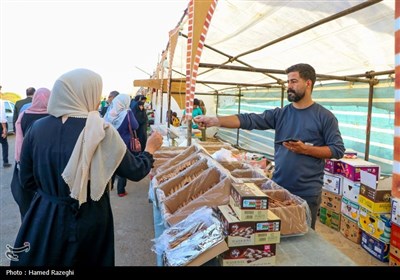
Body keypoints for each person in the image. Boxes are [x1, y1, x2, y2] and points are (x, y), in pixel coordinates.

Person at [10, 68, 163, 266]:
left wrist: (51, 193)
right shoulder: (102, 131)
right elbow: (135, 171)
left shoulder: (36, 129)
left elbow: (27, 180)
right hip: (90, 219)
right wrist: (150, 149)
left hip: (45, 215)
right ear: (87, 94)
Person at [194, 63, 345, 230]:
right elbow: (249, 119)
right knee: (278, 235)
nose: (289, 87)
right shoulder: (281, 114)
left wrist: (306, 149)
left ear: (308, 83)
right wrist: (215, 121)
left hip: (307, 193)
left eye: (294, 81)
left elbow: (337, 150)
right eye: (288, 82)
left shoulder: (325, 117)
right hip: (278, 187)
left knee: (303, 237)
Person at [11, 88, 52, 220]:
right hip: (47, 163)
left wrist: (20, 161)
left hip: (27, 162)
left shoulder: (23, 115)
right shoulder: (54, 116)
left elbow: (19, 140)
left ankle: (28, 230)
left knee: (27, 199)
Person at [104, 93, 139, 197]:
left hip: (110, 141)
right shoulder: (127, 112)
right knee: (123, 164)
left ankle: (109, 187)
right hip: (124, 143)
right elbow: (135, 125)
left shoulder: (110, 111)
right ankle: (121, 191)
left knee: (112, 165)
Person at [0, 91, 11, 168]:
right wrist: (4, 128)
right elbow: (2, 116)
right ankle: (5, 162)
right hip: (1, 125)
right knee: (4, 143)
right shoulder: (1, 102)